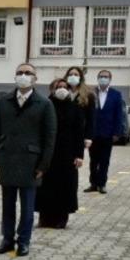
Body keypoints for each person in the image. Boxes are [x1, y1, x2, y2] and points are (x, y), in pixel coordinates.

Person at [0, 63, 56, 256]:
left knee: (27, 207)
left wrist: (44, 164)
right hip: (8, 160)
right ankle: (7, 239)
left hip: (31, 163)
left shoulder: (44, 104)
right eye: (20, 72)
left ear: (35, 79)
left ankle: (24, 241)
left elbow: (49, 137)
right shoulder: (4, 101)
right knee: (7, 205)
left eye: (28, 73)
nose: (23, 76)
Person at [36, 77, 85, 229]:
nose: (62, 89)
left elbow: (79, 132)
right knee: (46, 186)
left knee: (65, 186)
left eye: (65, 86)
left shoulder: (74, 107)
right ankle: (44, 218)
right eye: (59, 86)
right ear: (52, 89)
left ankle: (61, 218)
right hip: (48, 153)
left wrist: (79, 155)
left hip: (67, 153)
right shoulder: (45, 105)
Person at [86, 69, 126, 194]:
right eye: (101, 76)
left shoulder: (116, 94)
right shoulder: (91, 93)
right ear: (98, 78)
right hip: (93, 133)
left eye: (106, 77)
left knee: (104, 160)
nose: (103, 78)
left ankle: (102, 184)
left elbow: (119, 115)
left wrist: (117, 132)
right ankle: (93, 183)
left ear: (110, 79)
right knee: (93, 160)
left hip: (108, 133)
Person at [64, 66, 95, 156]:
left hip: (78, 133)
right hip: (62, 132)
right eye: (70, 74)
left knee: (75, 160)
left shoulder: (88, 95)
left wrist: (88, 137)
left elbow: (91, 118)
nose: (73, 76)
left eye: (76, 74)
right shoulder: (62, 91)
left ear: (80, 77)